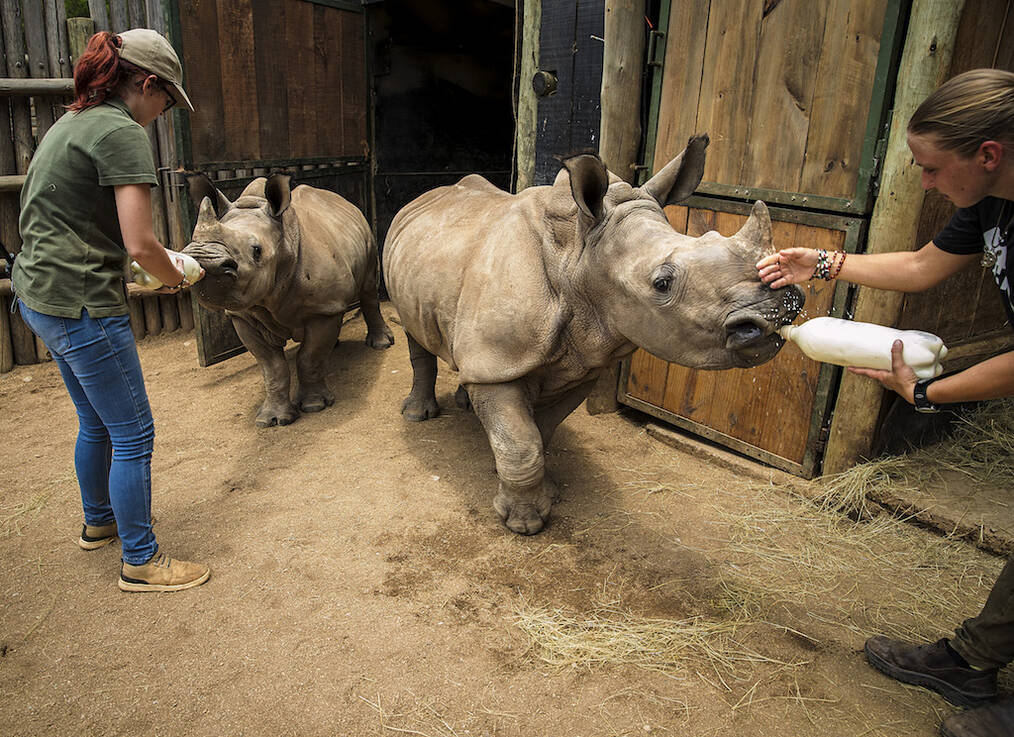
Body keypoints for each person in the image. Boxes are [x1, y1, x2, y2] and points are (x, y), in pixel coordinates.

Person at [758, 68, 1013, 737]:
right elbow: (924, 266)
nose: (926, 184)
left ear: (987, 155)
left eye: (931, 169)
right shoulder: (993, 201)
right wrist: (824, 264)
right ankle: (972, 659)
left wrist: (930, 391)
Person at [11, 29, 209, 593]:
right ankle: (141, 561)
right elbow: (142, 246)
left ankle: (100, 523)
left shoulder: (71, 121)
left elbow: (69, 220)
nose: (162, 114)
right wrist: (179, 278)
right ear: (147, 84)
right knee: (134, 432)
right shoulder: (121, 133)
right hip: (82, 306)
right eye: (166, 101)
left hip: (39, 295)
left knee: (95, 422)